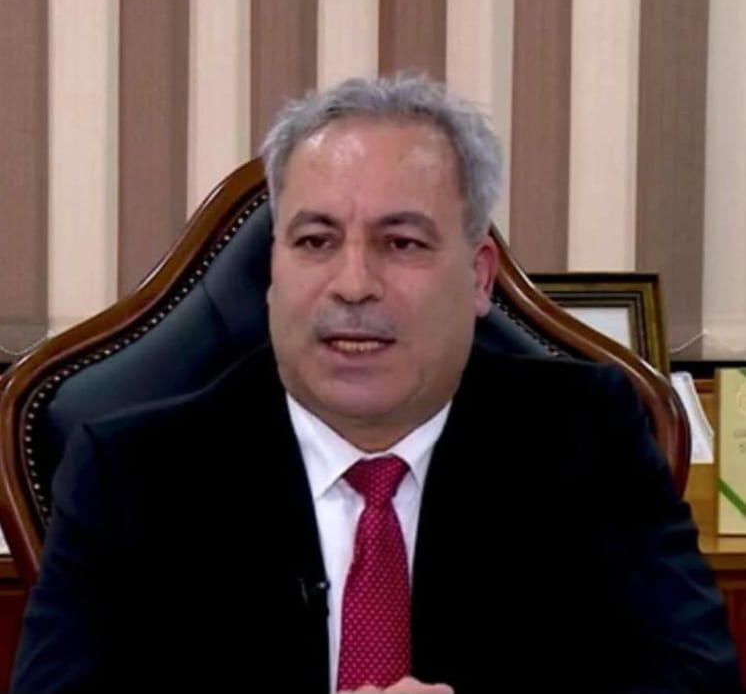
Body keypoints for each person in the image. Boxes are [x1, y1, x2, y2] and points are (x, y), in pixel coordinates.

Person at [11, 73, 741, 694]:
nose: (353, 283)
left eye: (401, 243)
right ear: (274, 269)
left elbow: (696, 680)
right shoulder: (131, 475)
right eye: (315, 241)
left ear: (478, 277)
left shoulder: (586, 438)